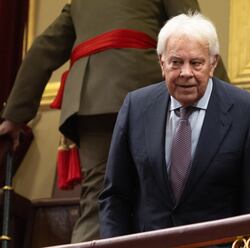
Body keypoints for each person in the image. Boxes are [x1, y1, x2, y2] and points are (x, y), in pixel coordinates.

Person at [0, 0, 229, 243]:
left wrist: (15, 116)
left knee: (98, 199)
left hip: (91, 99)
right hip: (143, 90)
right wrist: (228, 103)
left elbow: (44, 47)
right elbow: (194, 34)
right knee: (159, 195)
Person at [99, 12, 250, 243]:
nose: (186, 73)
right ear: (161, 62)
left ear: (213, 63)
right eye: (176, 62)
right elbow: (115, 196)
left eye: (196, 63)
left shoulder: (249, 113)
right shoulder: (136, 107)